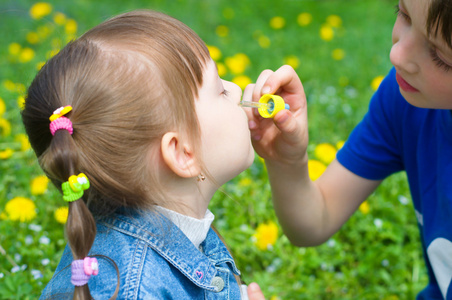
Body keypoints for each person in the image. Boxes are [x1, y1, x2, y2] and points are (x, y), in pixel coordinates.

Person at [22, 10, 257, 299]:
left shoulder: (167, 237)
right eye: (220, 90)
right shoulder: (134, 289)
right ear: (182, 152)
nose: (236, 90)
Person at [244, 0, 452, 299]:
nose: (397, 54)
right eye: (403, 14)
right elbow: (316, 220)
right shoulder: (405, 103)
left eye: (441, 56)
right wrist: (287, 160)